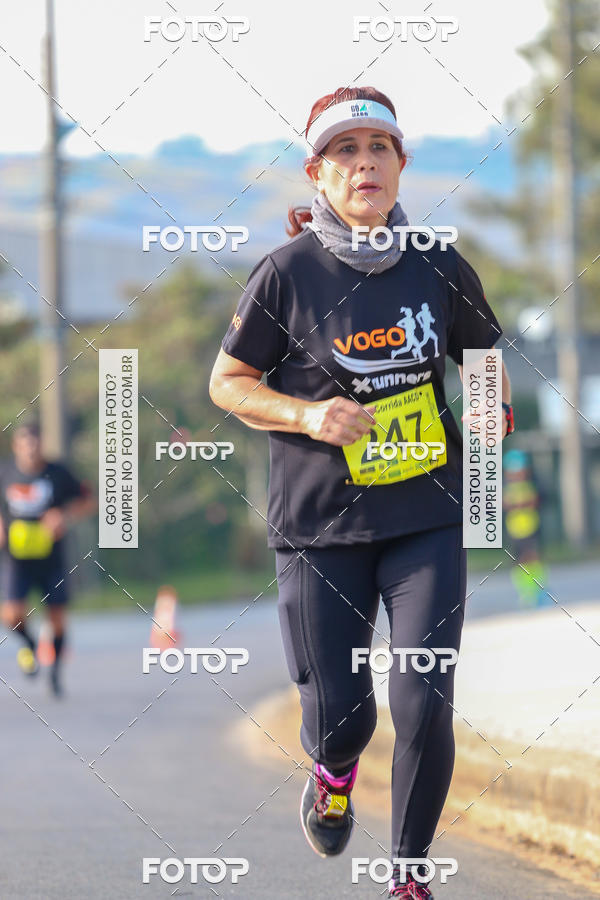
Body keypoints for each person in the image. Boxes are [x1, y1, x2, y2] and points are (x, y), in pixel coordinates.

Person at [209, 86, 512, 898]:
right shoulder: (287, 274)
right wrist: (309, 414)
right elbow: (228, 384)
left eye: (379, 147)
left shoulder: (439, 262)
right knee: (345, 717)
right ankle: (333, 774)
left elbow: (480, 354)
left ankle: (409, 875)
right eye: (346, 150)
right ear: (317, 172)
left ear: (402, 164)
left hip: (424, 518)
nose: (364, 162)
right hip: (319, 529)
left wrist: (489, 406)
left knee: (423, 699)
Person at [0, 421, 96, 696]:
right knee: (11, 615)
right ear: (15, 446)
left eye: (35, 443)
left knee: (57, 618)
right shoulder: (5, 472)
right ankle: (29, 645)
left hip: (51, 557)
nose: (30, 449)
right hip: (16, 558)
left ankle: (54, 672)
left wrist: (63, 515)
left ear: (41, 445)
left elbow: (89, 501)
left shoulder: (58, 473)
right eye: (24, 444)